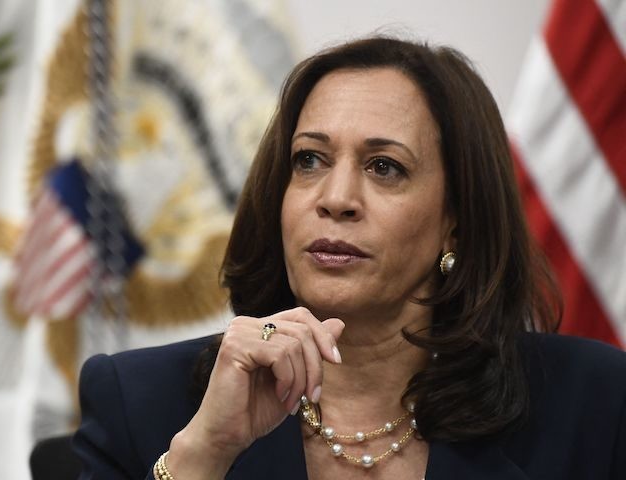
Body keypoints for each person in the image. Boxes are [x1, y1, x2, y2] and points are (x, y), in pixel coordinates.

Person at [72, 36, 626, 480]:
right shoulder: (139, 401)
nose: (334, 199)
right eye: (309, 159)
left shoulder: (592, 405)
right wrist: (203, 456)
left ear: (456, 217)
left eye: (384, 167)